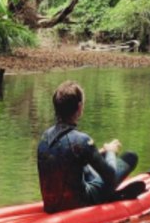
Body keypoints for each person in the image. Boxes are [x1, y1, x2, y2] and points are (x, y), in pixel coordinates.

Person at [37, 81, 142, 213]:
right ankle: (110, 197)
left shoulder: (44, 137)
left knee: (86, 165)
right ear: (79, 107)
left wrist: (99, 153)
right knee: (130, 157)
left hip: (51, 206)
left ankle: (109, 193)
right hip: (80, 204)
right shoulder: (82, 140)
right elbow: (111, 176)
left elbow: (67, 159)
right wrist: (110, 152)